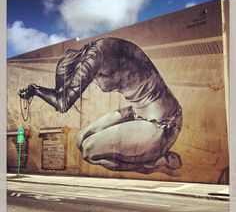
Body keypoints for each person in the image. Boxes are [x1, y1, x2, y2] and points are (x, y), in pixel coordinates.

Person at [18, 37, 183, 174]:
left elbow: (63, 104)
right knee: (81, 139)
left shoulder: (93, 59)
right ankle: (149, 156)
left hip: (163, 124)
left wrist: (36, 90)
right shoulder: (96, 50)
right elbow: (61, 94)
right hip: (137, 112)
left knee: (90, 151)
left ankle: (154, 164)